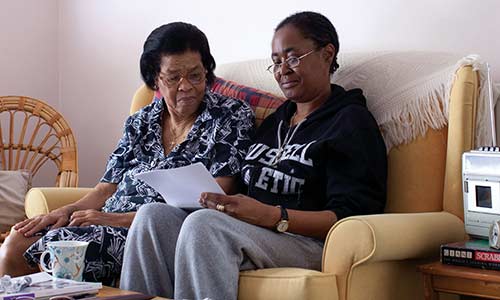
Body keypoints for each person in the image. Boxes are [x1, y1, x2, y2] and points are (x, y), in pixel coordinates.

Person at [120, 11, 387, 299]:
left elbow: (349, 217)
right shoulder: (275, 122)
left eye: (293, 57)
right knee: (152, 217)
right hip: (252, 232)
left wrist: (272, 215)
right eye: (276, 62)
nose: (283, 69)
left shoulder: (350, 122)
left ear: (327, 53)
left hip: (306, 240)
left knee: (204, 226)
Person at [0, 22, 254, 285]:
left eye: (195, 75)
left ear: (207, 72)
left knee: (59, 246)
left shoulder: (231, 116)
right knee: (17, 240)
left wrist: (116, 219)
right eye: (173, 77)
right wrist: (65, 211)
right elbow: (104, 189)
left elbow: (218, 196)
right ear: (155, 78)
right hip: (103, 221)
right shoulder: (140, 121)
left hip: (153, 230)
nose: (186, 86)